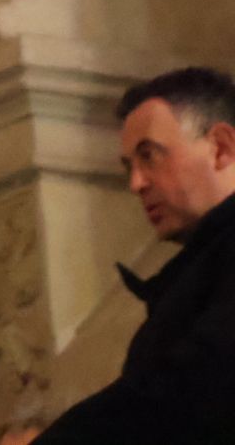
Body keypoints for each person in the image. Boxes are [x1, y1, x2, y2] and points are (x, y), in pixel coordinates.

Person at [26, 66, 235, 444]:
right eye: (130, 167)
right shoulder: (198, 270)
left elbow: (195, 386)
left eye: (150, 156)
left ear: (220, 147)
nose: (135, 183)